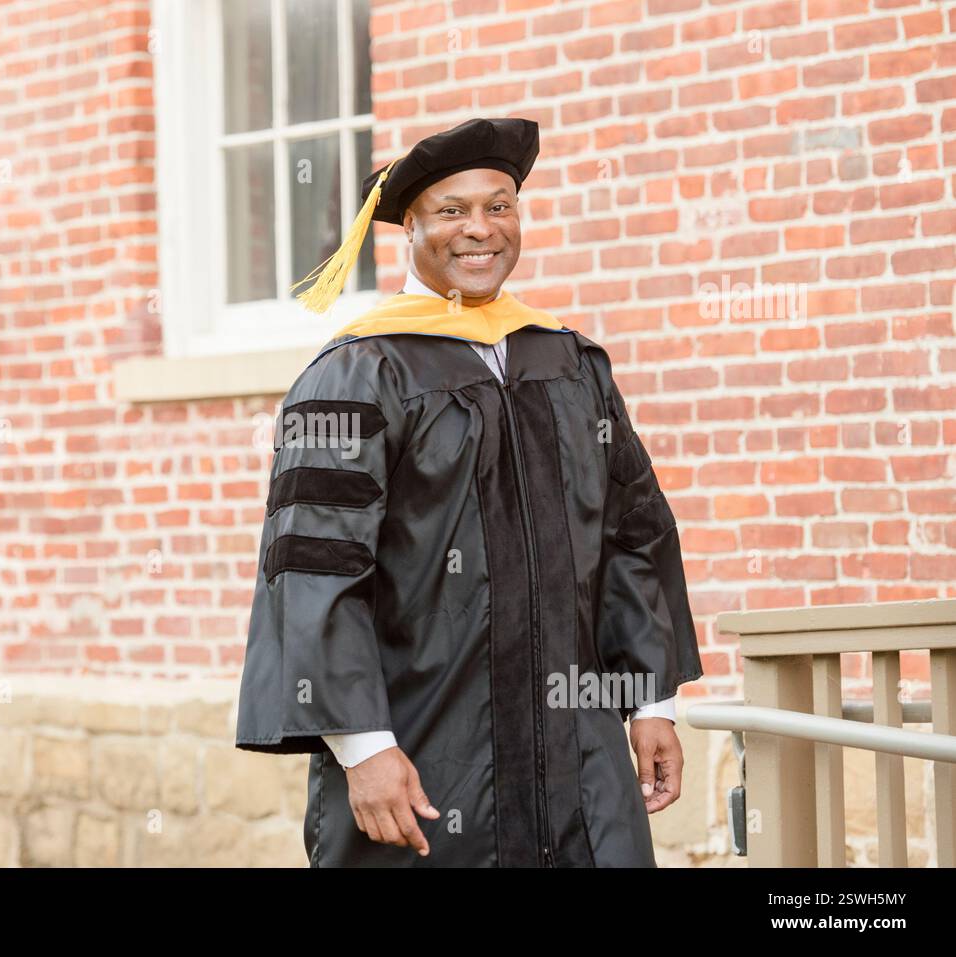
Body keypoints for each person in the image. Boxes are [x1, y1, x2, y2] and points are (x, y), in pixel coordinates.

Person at [235, 117, 704, 867]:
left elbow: (632, 532)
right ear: (410, 227)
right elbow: (314, 571)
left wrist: (651, 701)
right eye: (452, 211)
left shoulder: (570, 362)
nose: (480, 229)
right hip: (425, 752)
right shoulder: (354, 375)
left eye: (499, 206)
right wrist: (363, 747)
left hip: (580, 761)